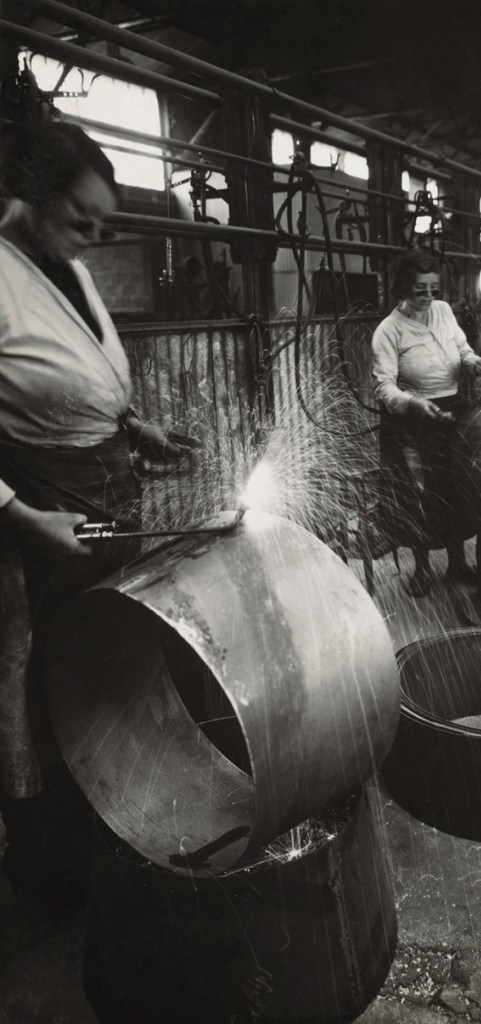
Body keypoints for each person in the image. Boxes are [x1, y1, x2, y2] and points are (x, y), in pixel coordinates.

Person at [0, 120, 191, 903]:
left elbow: (80, 379)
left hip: (102, 501)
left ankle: (114, 820)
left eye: (103, 223)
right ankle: (51, 866)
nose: (96, 237)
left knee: (104, 667)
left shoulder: (66, 266)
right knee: (48, 682)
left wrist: (134, 426)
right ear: (32, 195)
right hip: (43, 521)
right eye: (84, 219)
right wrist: (22, 517)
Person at [371, 248, 481, 598]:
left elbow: (462, 350)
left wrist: (476, 363)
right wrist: (413, 403)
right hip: (413, 420)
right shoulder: (389, 330)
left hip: (451, 411)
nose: (428, 296)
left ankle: (457, 562)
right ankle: (422, 567)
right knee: (420, 495)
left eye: (433, 289)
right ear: (403, 289)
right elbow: (384, 387)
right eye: (420, 290)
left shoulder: (442, 311)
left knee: (455, 488)